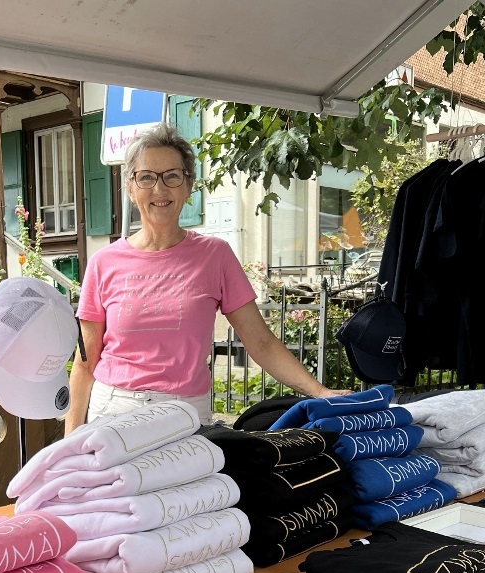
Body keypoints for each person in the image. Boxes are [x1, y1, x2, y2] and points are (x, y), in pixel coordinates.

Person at [66, 124, 348, 432]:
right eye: (146, 177)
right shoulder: (103, 262)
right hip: (113, 411)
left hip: (184, 414)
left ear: (188, 186)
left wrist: (320, 392)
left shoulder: (215, 255)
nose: (159, 189)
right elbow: (85, 362)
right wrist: (69, 445)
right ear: (131, 188)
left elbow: (261, 341)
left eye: (172, 176)